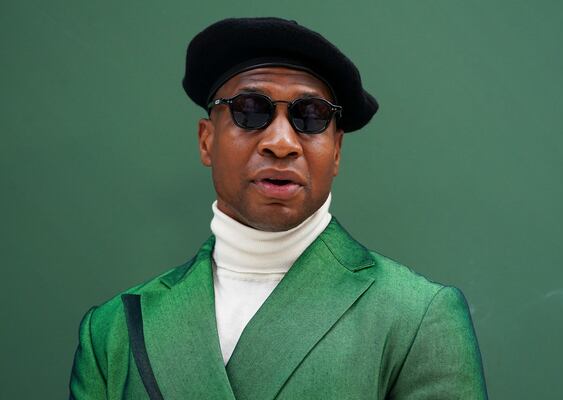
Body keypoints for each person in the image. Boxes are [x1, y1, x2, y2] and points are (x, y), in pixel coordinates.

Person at [69, 17, 488, 400]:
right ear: (206, 141)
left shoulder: (417, 317)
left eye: (311, 116)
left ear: (337, 150)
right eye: (250, 111)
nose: (282, 142)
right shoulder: (113, 332)